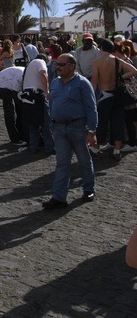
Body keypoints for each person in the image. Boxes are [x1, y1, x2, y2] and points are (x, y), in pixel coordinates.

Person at [43, 53, 98, 209]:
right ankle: (59, 197)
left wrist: (92, 130)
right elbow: (52, 104)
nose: (57, 67)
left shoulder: (82, 83)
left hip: (78, 127)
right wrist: (52, 126)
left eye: (61, 64)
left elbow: (91, 108)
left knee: (84, 160)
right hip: (59, 128)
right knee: (62, 164)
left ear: (72, 67)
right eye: (57, 64)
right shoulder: (54, 83)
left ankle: (88, 189)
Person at [91, 39, 137, 160]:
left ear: (101, 48)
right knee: (117, 122)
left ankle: (97, 147)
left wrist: (92, 97)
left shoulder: (97, 62)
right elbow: (134, 71)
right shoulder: (118, 60)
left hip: (104, 95)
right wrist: (120, 78)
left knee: (101, 122)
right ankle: (117, 150)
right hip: (117, 95)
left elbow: (94, 81)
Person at [21, 54, 54, 155]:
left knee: (33, 122)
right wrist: (47, 91)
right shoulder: (41, 62)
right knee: (46, 121)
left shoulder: (29, 64)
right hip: (37, 94)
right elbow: (43, 74)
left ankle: (33, 146)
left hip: (27, 95)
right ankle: (49, 147)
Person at [0, 65, 26, 145]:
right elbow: (16, 89)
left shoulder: (25, 72)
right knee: (10, 111)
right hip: (3, 84)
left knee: (20, 109)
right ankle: (14, 138)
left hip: (8, 82)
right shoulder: (20, 73)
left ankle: (21, 133)